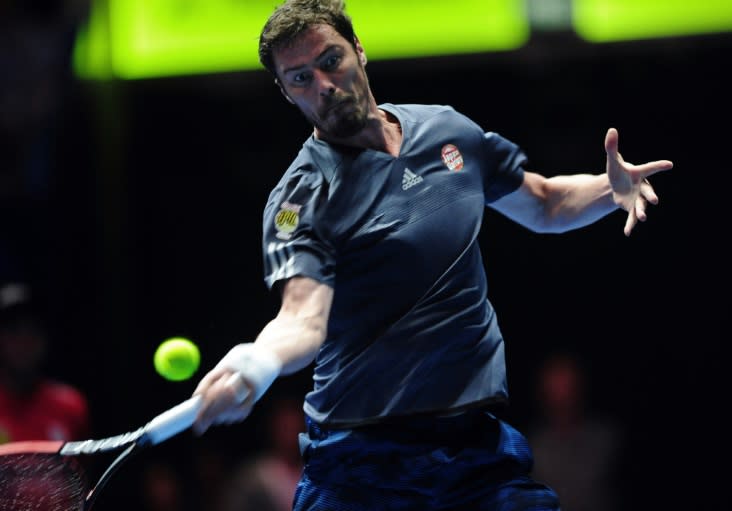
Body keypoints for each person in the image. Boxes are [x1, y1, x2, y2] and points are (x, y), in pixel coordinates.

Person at [189, 1, 673, 509]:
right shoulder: (300, 200)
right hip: (361, 466)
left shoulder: (447, 131)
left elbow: (544, 202)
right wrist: (256, 364)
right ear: (286, 92)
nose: (324, 85)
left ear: (359, 50)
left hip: (473, 452)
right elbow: (302, 318)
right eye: (301, 78)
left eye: (331, 61)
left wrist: (607, 188)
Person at [526, 351, 624, 511]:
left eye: (567, 384)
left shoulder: (606, 439)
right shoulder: (532, 447)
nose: (563, 393)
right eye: (556, 384)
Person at [0, 282, 91, 444]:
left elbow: (82, 468)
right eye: (14, 331)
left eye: (33, 330)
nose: (24, 342)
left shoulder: (71, 406)